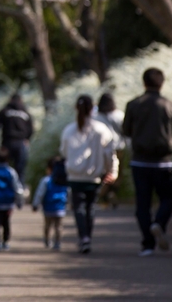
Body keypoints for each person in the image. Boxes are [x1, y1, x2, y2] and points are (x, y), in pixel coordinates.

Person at [122, 67, 172, 257]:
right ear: (162, 83)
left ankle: (147, 244)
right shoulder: (170, 105)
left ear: (144, 82)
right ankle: (159, 223)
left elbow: (126, 130)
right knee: (168, 197)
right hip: (163, 162)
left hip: (140, 162)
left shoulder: (133, 105)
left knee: (142, 204)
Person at [59, 95, 118, 254]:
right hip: (94, 176)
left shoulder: (69, 130)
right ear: (93, 108)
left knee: (78, 207)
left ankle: (83, 237)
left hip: (75, 175)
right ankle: (87, 238)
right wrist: (112, 171)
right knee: (91, 207)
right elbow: (109, 153)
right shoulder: (101, 129)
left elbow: (63, 152)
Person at [0, 93, 34, 182]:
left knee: (3, 167)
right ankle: (19, 191)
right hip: (21, 143)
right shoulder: (26, 112)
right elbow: (31, 129)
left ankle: (2, 188)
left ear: (10, 100)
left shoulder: (5, 111)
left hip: (7, 143)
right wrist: (27, 139)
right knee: (20, 170)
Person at [95, 91, 127, 208]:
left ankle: (104, 194)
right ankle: (112, 192)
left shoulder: (97, 116)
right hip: (118, 148)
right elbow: (125, 130)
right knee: (116, 173)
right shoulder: (119, 115)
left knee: (104, 172)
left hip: (101, 147)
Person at [31, 156, 69, 250]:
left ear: (49, 169)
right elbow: (69, 193)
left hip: (48, 208)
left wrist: (36, 204)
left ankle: (47, 240)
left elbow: (40, 193)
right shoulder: (65, 181)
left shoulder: (46, 180)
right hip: (60, 208)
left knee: (48, 226)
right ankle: (58, 242)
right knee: (59, 227)